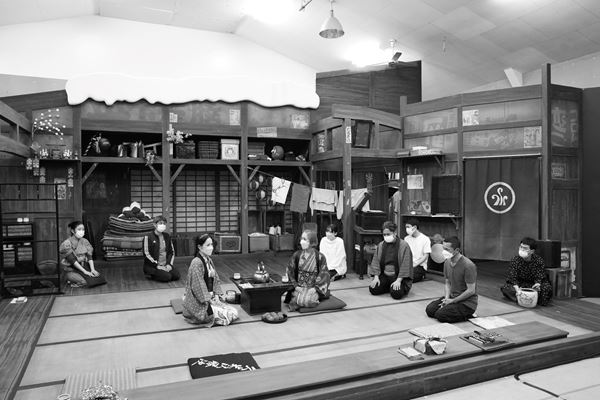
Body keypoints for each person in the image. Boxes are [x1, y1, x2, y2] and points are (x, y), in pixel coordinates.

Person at [182, 234, 238, 326]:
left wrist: (216, 297)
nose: (211, 247)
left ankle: (215, 309)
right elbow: (198, 286)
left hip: (211, 297)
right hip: (200, 302)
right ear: (199, 247)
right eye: (208, 245)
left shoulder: (209, 260)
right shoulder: (196, 262)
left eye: (211, 244)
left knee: (233, 312)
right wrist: (210, 301)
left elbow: (215, 279)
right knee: (228, 315)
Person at [425, 236, 478, 322]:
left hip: (466, 303)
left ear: (456, 250)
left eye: (447, 249)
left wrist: (453, 301)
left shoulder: (468, 265)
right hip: (452, 298)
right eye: (443, 248)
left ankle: (468, 314)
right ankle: (451, 308)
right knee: (430, 310)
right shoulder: (447, 262)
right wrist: (446, 299)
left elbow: (471, 290)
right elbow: (447, 283)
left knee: (440, 315)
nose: (444, 251)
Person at [286, 229, 331, 310]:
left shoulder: (320, 257)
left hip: (313, 287)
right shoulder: (297, 255)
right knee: (297, 301)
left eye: (305, 239)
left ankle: (314, 297)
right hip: (299, 287)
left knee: (308, 301)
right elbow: (289, 271)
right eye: (301, 239)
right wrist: (296, 286)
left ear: (312, 242)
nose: (301, 241)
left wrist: (315, 288)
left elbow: (324, 274)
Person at [368, 221, 413, 299]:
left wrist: (398, 281)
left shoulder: (404, 245)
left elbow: (406, 264)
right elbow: (376, 262)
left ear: (395, 233)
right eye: (384, 234)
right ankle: (389, 287)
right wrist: (376, 277)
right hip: (384, 275)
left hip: (398, 277)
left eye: (388, 234)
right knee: (373, 289)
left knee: (396, 294)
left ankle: (393, 287)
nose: (386, 236)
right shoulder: (381, 245)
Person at [501, 237, 553, 306]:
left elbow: (540, 276)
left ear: (532, 251)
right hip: (521, 284)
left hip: (532, 284)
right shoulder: (515, 260)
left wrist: (537, 284)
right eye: (521, 247)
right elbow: (512, 277)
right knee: (506, 288)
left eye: (525, 248)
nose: (522, 249)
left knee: (546, 288)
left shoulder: (538, 260)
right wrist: (517, 289)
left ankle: (526, 298)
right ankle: (528, 298)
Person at [59, 220, 106, 288]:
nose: (81, 231)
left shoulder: (84, 241)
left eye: (83, 229)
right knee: (85, 282)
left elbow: (89, 257)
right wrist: (85, 272)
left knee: (100, 279)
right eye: (79, 229)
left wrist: (92, 269)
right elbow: (73, 261)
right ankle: (72, 279)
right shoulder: (67, 244)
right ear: (73, 231)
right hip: (73, 268)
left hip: (84, 266)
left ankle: (78, 278)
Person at [143, 215, 180, 282]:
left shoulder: (167, 236)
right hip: (153, 266)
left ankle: (164, 271)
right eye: (160, 223)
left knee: (176, 276)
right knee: (167, 277)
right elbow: (146, 254)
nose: (162, 225)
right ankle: (151, 274)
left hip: (165, 265)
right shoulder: (148, 237)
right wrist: (157, 265)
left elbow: (171, 252)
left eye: (164, 223)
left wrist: (169, 264)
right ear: (154, 225)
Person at [404, 218, 431, 283]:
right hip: (408, 265)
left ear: (415, 227)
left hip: (419, 266)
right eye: (406, 227)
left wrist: (414, 265)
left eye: (408, 227)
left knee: (407, 277)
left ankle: (421, 276)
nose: (407, 229)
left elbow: (426, 256)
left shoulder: (425, 239)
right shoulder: (406, 238)